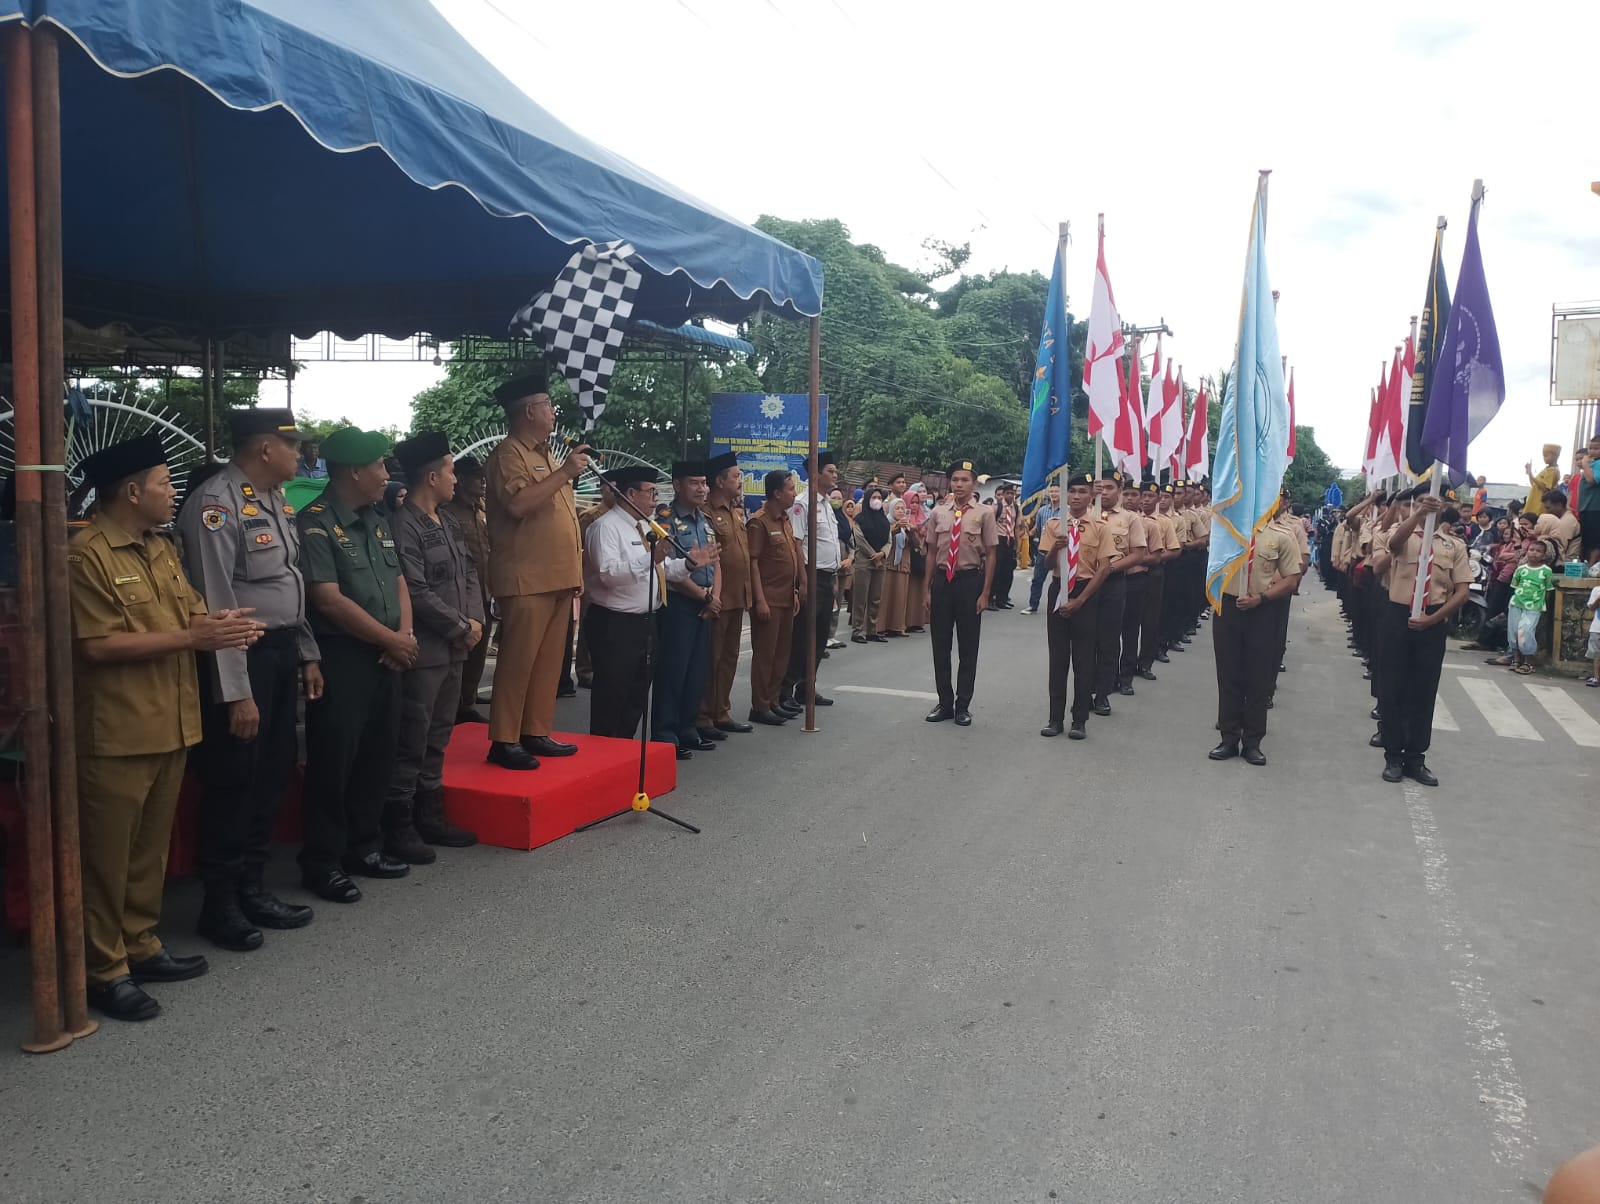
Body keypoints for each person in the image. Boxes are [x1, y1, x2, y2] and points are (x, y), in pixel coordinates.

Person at [70, 433, 262, 1021]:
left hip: (170, 722)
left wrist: (219, 623)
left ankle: (141, 944)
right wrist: (194, 637)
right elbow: (97, 646)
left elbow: (186, 611)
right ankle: (104, 970)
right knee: (107, 857)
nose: (172, 492)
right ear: (131, 492)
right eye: (163, 484)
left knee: (148, 851)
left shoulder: (158, 546)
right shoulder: (87, 555)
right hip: (118, 731)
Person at [178, 407, 320, 953]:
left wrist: (307, 652)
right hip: (242, 656)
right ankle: (220, 902)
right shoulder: (215, 505)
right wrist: (236, 693)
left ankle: (252, 886)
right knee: (234, 777)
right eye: (293, 446)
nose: (300, 454)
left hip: (282, 652)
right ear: (266, 449)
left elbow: (289, 584)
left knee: (272, 771)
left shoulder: (275, 501)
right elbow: (218, 604)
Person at [296, 427, 417, 903]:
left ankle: (363, 846)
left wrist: (402, 637)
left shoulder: (378, 517)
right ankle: (322, 859)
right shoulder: (315, 523)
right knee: (335, 759)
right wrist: (391, 638)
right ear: (353, 471)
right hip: (344, 655)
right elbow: (327, 600)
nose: (386, 475)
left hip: (388, 652)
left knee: (377, 753)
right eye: (380, 467)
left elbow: (399, 581)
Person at [386, 432, 484, 861]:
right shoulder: (403, 524)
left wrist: (475, 620)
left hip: (456, 646)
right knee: (413, 736)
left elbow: (468, 574)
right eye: (449, 470)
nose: (455, 479)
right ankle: (400, 823)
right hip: (426, 649)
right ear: (431, 476)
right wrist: (460, 625)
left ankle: (431, 813)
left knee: (439, 734)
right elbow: (417, 590)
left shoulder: (448, 520)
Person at [483, 369, 586, 770]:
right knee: (518, 661)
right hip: (526, 577)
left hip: (557, 575)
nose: (553, 412)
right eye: (547, 405)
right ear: (528, 411)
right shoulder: (509, 454)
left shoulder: (544, 454)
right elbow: (518, 506)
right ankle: (504, 739)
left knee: (548, 662)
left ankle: (535, 730)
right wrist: (564, 473)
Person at [584, 466, 714, 741]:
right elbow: (608, 574)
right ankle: (603, 757)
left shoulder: (645, 526)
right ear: (631, 493)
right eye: (651, 492)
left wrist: (689, 564)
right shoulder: (605, 527)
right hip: (615, 624)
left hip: (647, 622)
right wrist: (651, 559)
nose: (656, 500)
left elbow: (662, 569)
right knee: (612, 695)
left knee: (636, 697)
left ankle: (624, 754)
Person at [1370, 495, 1472, 786]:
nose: (1432, 508)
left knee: (1424, 690)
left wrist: (1432, 619)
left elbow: (1462, 591)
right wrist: (1416, 518)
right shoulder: (1401, 535)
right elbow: (1392, 546)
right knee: (1393, 687)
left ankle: (1416, 757)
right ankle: (1393, 756)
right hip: (1397, 616)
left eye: (1436, 504)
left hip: (1432, 619)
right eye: (1425, 503)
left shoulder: (1454, 546)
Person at [1208, 498, 1302, 766]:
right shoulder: (1226, 533)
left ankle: (1252, 741)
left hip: (1262, 610)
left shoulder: (1280, 537)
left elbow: (1291, 579)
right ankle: (1228, 738)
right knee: (1228, 674)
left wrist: (1261, 599)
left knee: (1258, 677)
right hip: (1227, 608)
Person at [651, 462, 722, 759]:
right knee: (673, 671)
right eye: (694, 483)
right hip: (679, 605)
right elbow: (664, 569)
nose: (702, 489)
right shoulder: (665, 521)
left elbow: (716, 560)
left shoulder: (704, 520)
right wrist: (703, 598)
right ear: (677, 485)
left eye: (704, 483)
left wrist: (714, 597)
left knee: (696, 672)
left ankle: (687, 728)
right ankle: (666, 732)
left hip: (705, 605)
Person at [1038, 474, 1117, 739]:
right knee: (1057, 659)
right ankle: (1054, 719)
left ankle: (1079, 719)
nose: (1075, 497)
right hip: (1059, 589)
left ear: (1090, 496)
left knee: (1083, 660)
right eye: (1071, 491)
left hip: (1085, 592)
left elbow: (1104, 568)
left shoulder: (1099, 527)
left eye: (1082, 492)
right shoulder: (1054, 525)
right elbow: (1047, 565)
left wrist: (1081, 601)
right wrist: (1055, 549)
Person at [923, 459, 998, 726]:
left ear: (974, 482)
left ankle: (962, 705)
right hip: (943, 581)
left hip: (969, 581)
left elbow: (991, 554)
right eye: (955, 479)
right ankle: (944, 702)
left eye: (965, 480)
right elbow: (931, 552)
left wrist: (986, 592)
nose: (959, 484)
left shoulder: (985, 514)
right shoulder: (938, 513)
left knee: (968, 647)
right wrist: (927, 590)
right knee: (940, 646)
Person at [696, 452, 754, 740]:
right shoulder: (707, 512)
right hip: (718, 596)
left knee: (730, 657)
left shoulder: (734, 511)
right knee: (712, 658)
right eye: (735, 476)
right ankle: (703, 714)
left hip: (736, 596)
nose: (740, 480)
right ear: (719, 481)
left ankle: (722, 711)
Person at [782, 451, 842, 710]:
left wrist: (835, 576)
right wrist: (803, 581)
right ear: (816, 474)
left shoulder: (827, 504)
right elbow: (797, 544)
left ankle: (807, 687)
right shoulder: (802, 504)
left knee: (820, 637)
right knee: (802, 637)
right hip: (811, 575)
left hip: (828, 577)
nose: (835, 474)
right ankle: (785, 688)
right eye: (830, 470)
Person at [748, 471, 802, 725]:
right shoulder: (759, 522)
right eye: (790, 488)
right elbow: (753, 562)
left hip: (786, 598)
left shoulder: (784, 519)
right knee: (765, 655)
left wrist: (794, 591)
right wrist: (759, 599)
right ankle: (759, 705)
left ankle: (773, 700)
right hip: (768, 598)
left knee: (781, 655)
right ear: (777, 493)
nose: (794, 492)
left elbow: (789, 559)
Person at [1092, 470, 1148, 715]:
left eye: (1109, 488)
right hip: (1084, 582)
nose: (1104, 492)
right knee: (1085, 641)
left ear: (1119, 490)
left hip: (1113, 583)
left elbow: (1138, 554)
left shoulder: (1129, 518)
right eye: (1100, 487)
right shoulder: (1086, 514)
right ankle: (1085, 690)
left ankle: (1103, 694)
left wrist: (1110, 568)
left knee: (1108, 640)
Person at [442, 454, 492, 722]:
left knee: (479, 649)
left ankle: (469, 699)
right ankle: (456, 704)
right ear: (460, 480)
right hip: (458, 593)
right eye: (477, 478)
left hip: (483, 589)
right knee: (461, 651)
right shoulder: (447, 511)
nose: (483, 483)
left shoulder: (480, 510)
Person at [1115, 480, 1162, 696]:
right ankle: (1108, 677)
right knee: (1109, 633)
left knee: (1131, 630)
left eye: (1135, 494)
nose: (1131, 499)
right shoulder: (1106, 519)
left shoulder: (1149, 525)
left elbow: (1157, 555)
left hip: (1135, 580)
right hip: (1110, 581)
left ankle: (1126, 676)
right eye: (1128, 494)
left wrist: (1136, 560)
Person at [1136, 482, 1180, 679]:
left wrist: (1155, 558)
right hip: (1129, 574)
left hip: (1154, 572)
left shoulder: (1164, 522)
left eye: (1150, 496)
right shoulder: (1130, 519)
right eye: (1143, 495)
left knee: (1150, 620)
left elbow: (1175, 549)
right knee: (1127, 623)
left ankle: (1145, 662)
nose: (1146, 500)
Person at [1505, 539, 1554, 674]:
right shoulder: (1520, 569)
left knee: (1526, 632)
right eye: (1532, 550)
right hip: (1516, 603)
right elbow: (1514, 587)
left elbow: (1549, 590)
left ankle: (1528, 662)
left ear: (1544, 555)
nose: (1534, 553)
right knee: (1513, 631)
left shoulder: (1546, 571)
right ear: (1527, 552)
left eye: (1538, 551)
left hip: (1534, 606)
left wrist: (1543, 606)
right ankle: (1515, 659)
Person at [851, 485, 891, 643]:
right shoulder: (859, 520)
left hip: (880, 563)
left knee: (876, 598)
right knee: (860, 598)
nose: (877, 501)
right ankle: (857, 631)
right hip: (864, 561)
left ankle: (872, 630)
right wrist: (872, 555)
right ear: (867, 500)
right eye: (874, 498)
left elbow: (889, 540)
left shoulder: (884, 521)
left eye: (880, 498)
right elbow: (859, 540)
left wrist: (882, 553)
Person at [1023, 483, 1061, 615]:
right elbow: (1039, 529)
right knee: (1037, 578)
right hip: (1043, 550)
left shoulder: (1067, 510)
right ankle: (1033, 605)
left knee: (1061, 579)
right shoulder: (1042, 511)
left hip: (1061, 550)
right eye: (1051, 491)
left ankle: (1061, 605)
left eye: (1056, 491)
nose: (1054, 494)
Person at [879, 497, 914, 637]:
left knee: (900, 598)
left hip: (902, 565)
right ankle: (881, 626)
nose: (900, 511)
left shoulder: (907, 526)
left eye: (902, 508)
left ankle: (897, 626)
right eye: (897, 508)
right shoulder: (886, 523)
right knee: (884, 597)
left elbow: (916, 545)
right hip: (889, 564)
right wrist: (896, 527)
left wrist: (910, 531)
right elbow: (883, 538)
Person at [991, 483, 1019, 609]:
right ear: (1003, 494)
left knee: (1007, 572)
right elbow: (989, 525)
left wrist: (1017, 545)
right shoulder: (997, 507)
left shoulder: (1016, 508)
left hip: (1010, 539)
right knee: (996, 571)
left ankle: (1003, 598)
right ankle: (991, 599)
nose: (1010, 495)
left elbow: (1017, 527)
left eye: (1012, 493)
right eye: (1007, 493)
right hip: (998, 539)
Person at [1534, 489, 1582, 563]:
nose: (1546, 511)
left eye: (1548, 508)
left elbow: (1559, 548)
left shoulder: (1566, 522)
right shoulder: (1559, 519)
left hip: (1565, 564)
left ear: (1559, 505)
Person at [1575, 437, 1600, 565]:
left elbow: (1592, 480)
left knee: (1595, 539)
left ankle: (1591, 565)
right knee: (1586, 538)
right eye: (1591, 448)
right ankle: (1585, 564)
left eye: (1597, 448)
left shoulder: (1598, 464)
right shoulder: (1592, 464)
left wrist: (1585, 465)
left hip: (1595, 508)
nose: (1593, 451)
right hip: (1585, 508)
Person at [1524, 444, 1561, 518]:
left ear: (1555, 456)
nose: (1544, 458)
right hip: (1534, 502)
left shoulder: (1553, 470)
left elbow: (1545, 489)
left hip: (1540, 506)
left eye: (1546, 456)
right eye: (1543, 456)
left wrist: (1532, 476)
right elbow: (1534, 485)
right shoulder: (1545, 470)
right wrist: (1529, 473)